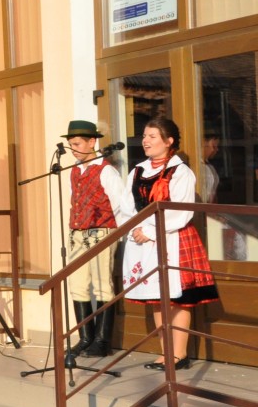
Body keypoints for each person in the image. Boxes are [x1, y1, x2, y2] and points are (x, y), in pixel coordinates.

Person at [120, 116, 219, 372]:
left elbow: (181, 210)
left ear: (168, 141)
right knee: (157, 296)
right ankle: (166, 353)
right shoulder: (138, 171)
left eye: (152, 136)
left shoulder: (180, 172)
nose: (145, 141)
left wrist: (150, 230)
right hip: (143, 241)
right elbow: (125, 207)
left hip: (173, 237)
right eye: (145, 136)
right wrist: (136, 229)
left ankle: (179, 354)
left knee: (177, 298)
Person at [61, 120, 127, 358]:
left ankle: (102, 340)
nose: (74, 149)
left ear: (92, 142)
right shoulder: (75, 170)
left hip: (101, 231)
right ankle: (85, 337)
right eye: (71, 145)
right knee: (77, 285)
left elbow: (120, 204)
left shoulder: (106, 170)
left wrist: (114, 233)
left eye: (77, 144)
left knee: (102, 285)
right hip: (78, 233)